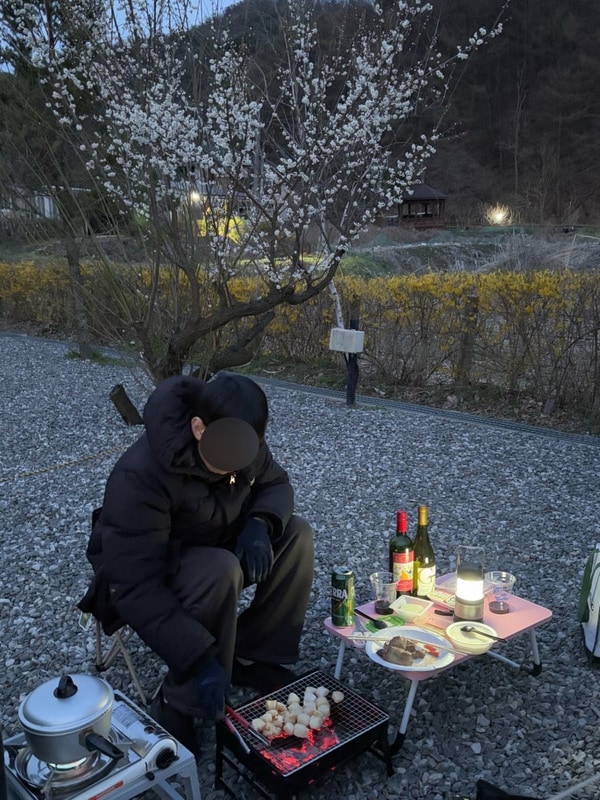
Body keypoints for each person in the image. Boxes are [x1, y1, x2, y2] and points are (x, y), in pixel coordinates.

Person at [78, 372, 314, 755]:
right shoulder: (140, 475)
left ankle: (251, 656)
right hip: (153, 569)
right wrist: (197, 658)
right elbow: (134, 585)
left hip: (213, 537)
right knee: (221, 570)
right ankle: (179, 698)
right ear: (199, 428)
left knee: (296, 533)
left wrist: (259, 524)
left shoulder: (242, 443)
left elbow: (276, 484)